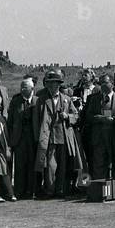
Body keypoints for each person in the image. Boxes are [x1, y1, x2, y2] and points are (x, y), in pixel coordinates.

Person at [34, 69, 81, 199]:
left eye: (54, 83)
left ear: (59, 84)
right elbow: (36, 120)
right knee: (50, 166)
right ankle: (50, 190)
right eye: (49, 83)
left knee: (63, 165)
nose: (52, 85)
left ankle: (60, 190)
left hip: (64, 137)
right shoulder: (41, 100)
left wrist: (67, 116)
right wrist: (37, 137)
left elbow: (76, 115)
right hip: (48, 137)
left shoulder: (66, 99)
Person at [81, 73, 115, 182]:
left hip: (114, 136)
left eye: (105, 83)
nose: (103, 85)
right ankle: (99, 189)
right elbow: (88, 116)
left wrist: (114, 119)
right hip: (99, 137)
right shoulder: (94, 99)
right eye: (101, 83)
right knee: (99, 163)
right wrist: (99, 118)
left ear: (112, 83)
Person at [7, 77, 40, 199]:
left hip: (33, 138)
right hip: (19, 139)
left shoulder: (38, 101)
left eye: (24, 87)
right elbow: (10, 121)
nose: (21, 89)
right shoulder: (15, 102)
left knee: (32, 164)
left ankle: (31, 190)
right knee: (20, 165)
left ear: (32, 88)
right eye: (21, 86)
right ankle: (19, 190)